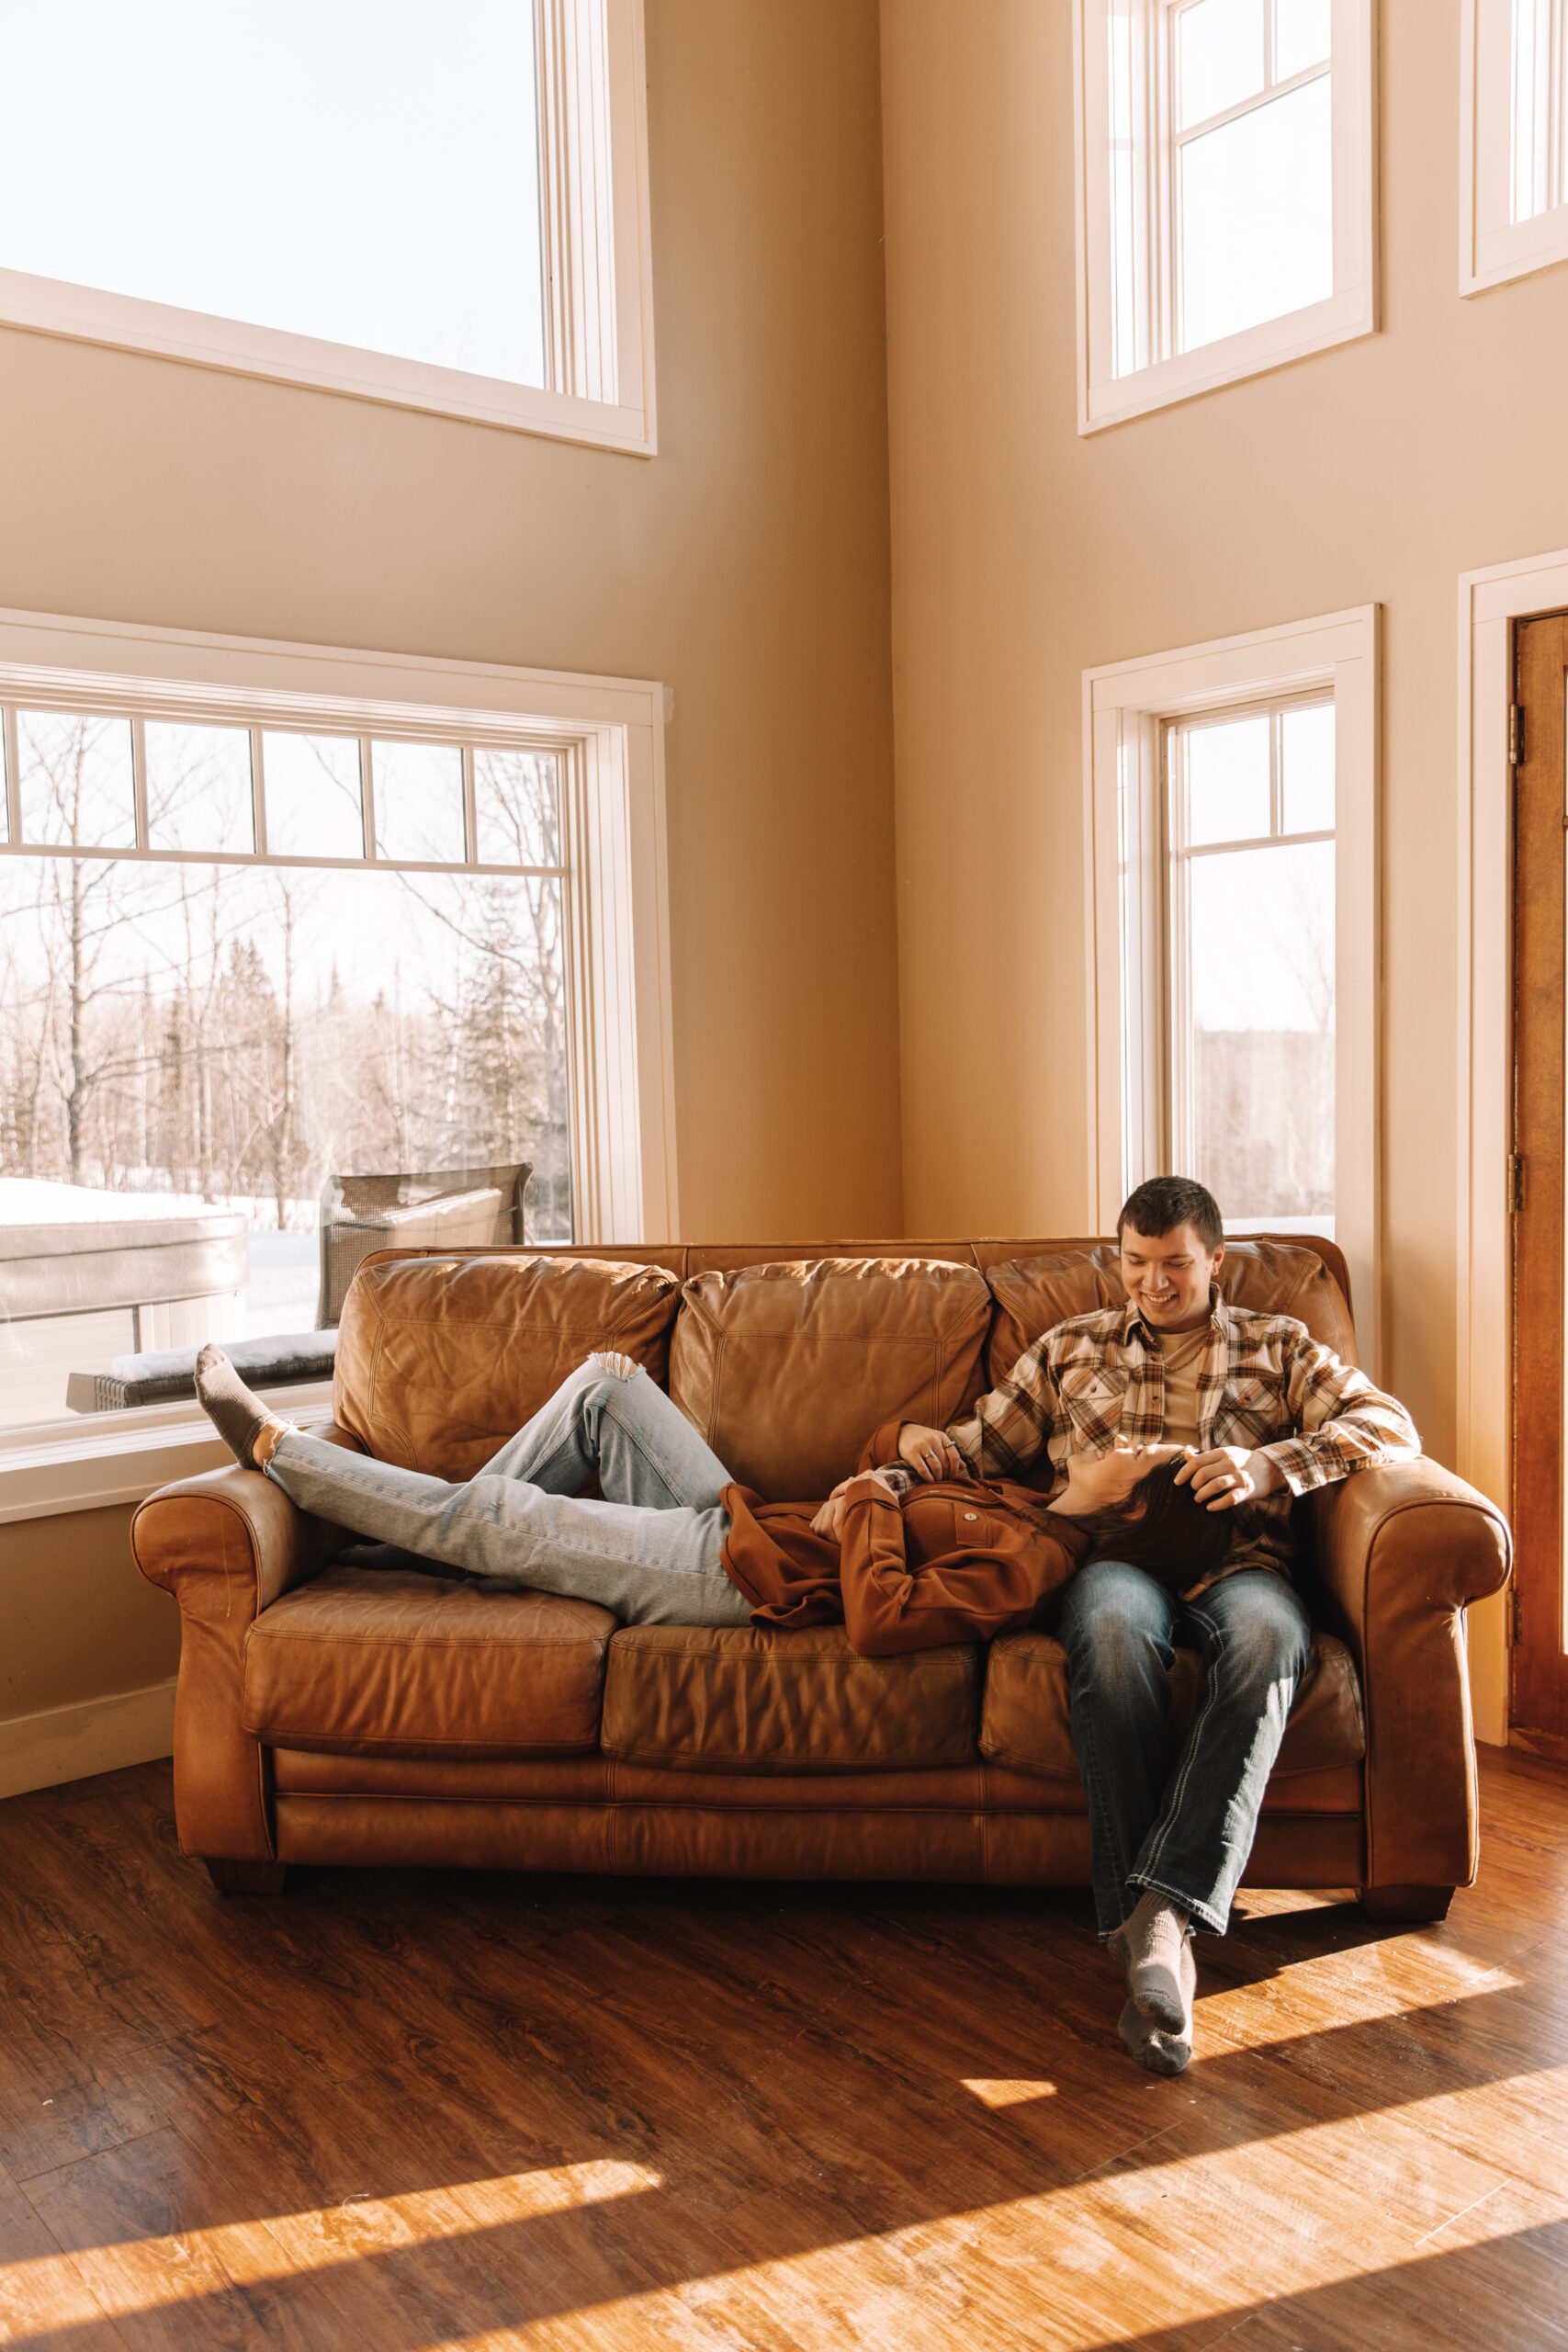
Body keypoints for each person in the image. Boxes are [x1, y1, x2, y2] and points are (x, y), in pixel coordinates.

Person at [886, 1174, 1421, 2077]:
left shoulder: (1279, 1345)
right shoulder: (1072, 1348)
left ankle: (1155, 1918)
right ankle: (1164, 1936)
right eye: (1136, 1262)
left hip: (1243, 1565)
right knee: (1107, 1636)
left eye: (1174, 1264)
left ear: (1215, 1259)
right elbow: (971, 1452)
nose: (1154, 1283)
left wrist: (1268, 1464)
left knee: (1267, 1643)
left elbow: (1389, 1426)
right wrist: (903, 1451)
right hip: (1116, 1566)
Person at [190, 1342, 1223, 1658]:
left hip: (731, 1578)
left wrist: (866, 1501)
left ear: (1130, 1512)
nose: (1124, 1436)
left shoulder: (1035, 1561)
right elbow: (883, 1474)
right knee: (606, 1384)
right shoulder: (1023, 1494)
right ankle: (417, 1537)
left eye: (1143, 1452)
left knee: (499, 1522)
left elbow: (885, 1620)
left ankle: (281, 1452)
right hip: (744, 1516)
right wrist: (893, 1450)